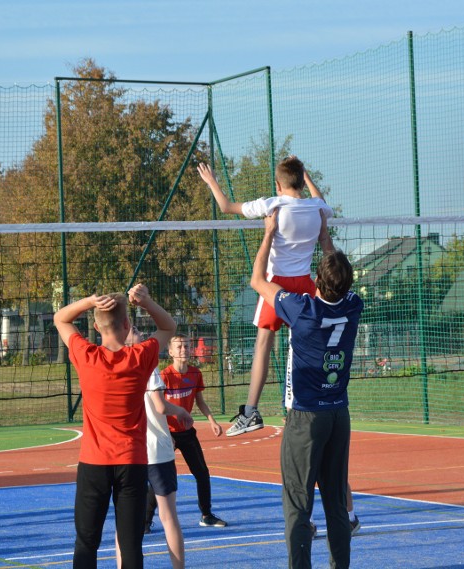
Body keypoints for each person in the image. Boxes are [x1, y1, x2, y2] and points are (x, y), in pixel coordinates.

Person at [251, 211, 363, 568]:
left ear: (317, 279)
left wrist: (269, 233)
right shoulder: (354, 306)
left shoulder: (302, 309)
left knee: (298, 505)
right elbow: (336, 274)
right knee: (335, 502)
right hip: (338, 415)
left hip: (307, 418)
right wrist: (324, 234)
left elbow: (257, 280)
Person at [198, 157, 334, 436]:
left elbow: (226, 206)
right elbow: (321, 201)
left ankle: (251, 411)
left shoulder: (273, 204)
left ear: (278, 184)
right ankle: (315, 400)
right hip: (305, 284)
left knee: (263, 343)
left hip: (277, 285)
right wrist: (306, 177)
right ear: (301, 180)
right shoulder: (316, 207)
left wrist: (211, 181)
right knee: (309, 345)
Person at [53, 284, 176, 569]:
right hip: (132, 462)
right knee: (131, 543)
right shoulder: (140, 357)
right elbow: (169, 326)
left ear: (96, 327)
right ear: (127, 324)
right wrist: (146, 302)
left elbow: (61, 318)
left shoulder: (86, 356)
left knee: (86, 541)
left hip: (94, 464)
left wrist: (88, 301)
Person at [117, 327, 194, 569]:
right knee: (168, 516)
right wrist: (180, 411)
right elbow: (160, 407)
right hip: (156, 450)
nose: (141, 332)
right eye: (135, 329)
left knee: (127, 522)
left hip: (129, 452)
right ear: (124, 336)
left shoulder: (113, 366)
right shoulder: (147, 365)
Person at [147, 334, 227, 529]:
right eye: (179, 347)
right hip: (168, 434)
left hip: (187, 433)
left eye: (186, 346)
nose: (183, 349)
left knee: (202, 473)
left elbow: (199, 401)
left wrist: (212, 421)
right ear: (171, 352)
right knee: (161, 478)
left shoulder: (195, 373)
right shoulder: (164, 376)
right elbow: (159, 407)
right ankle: (145, 520)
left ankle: (206, 515)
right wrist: (166, 432)